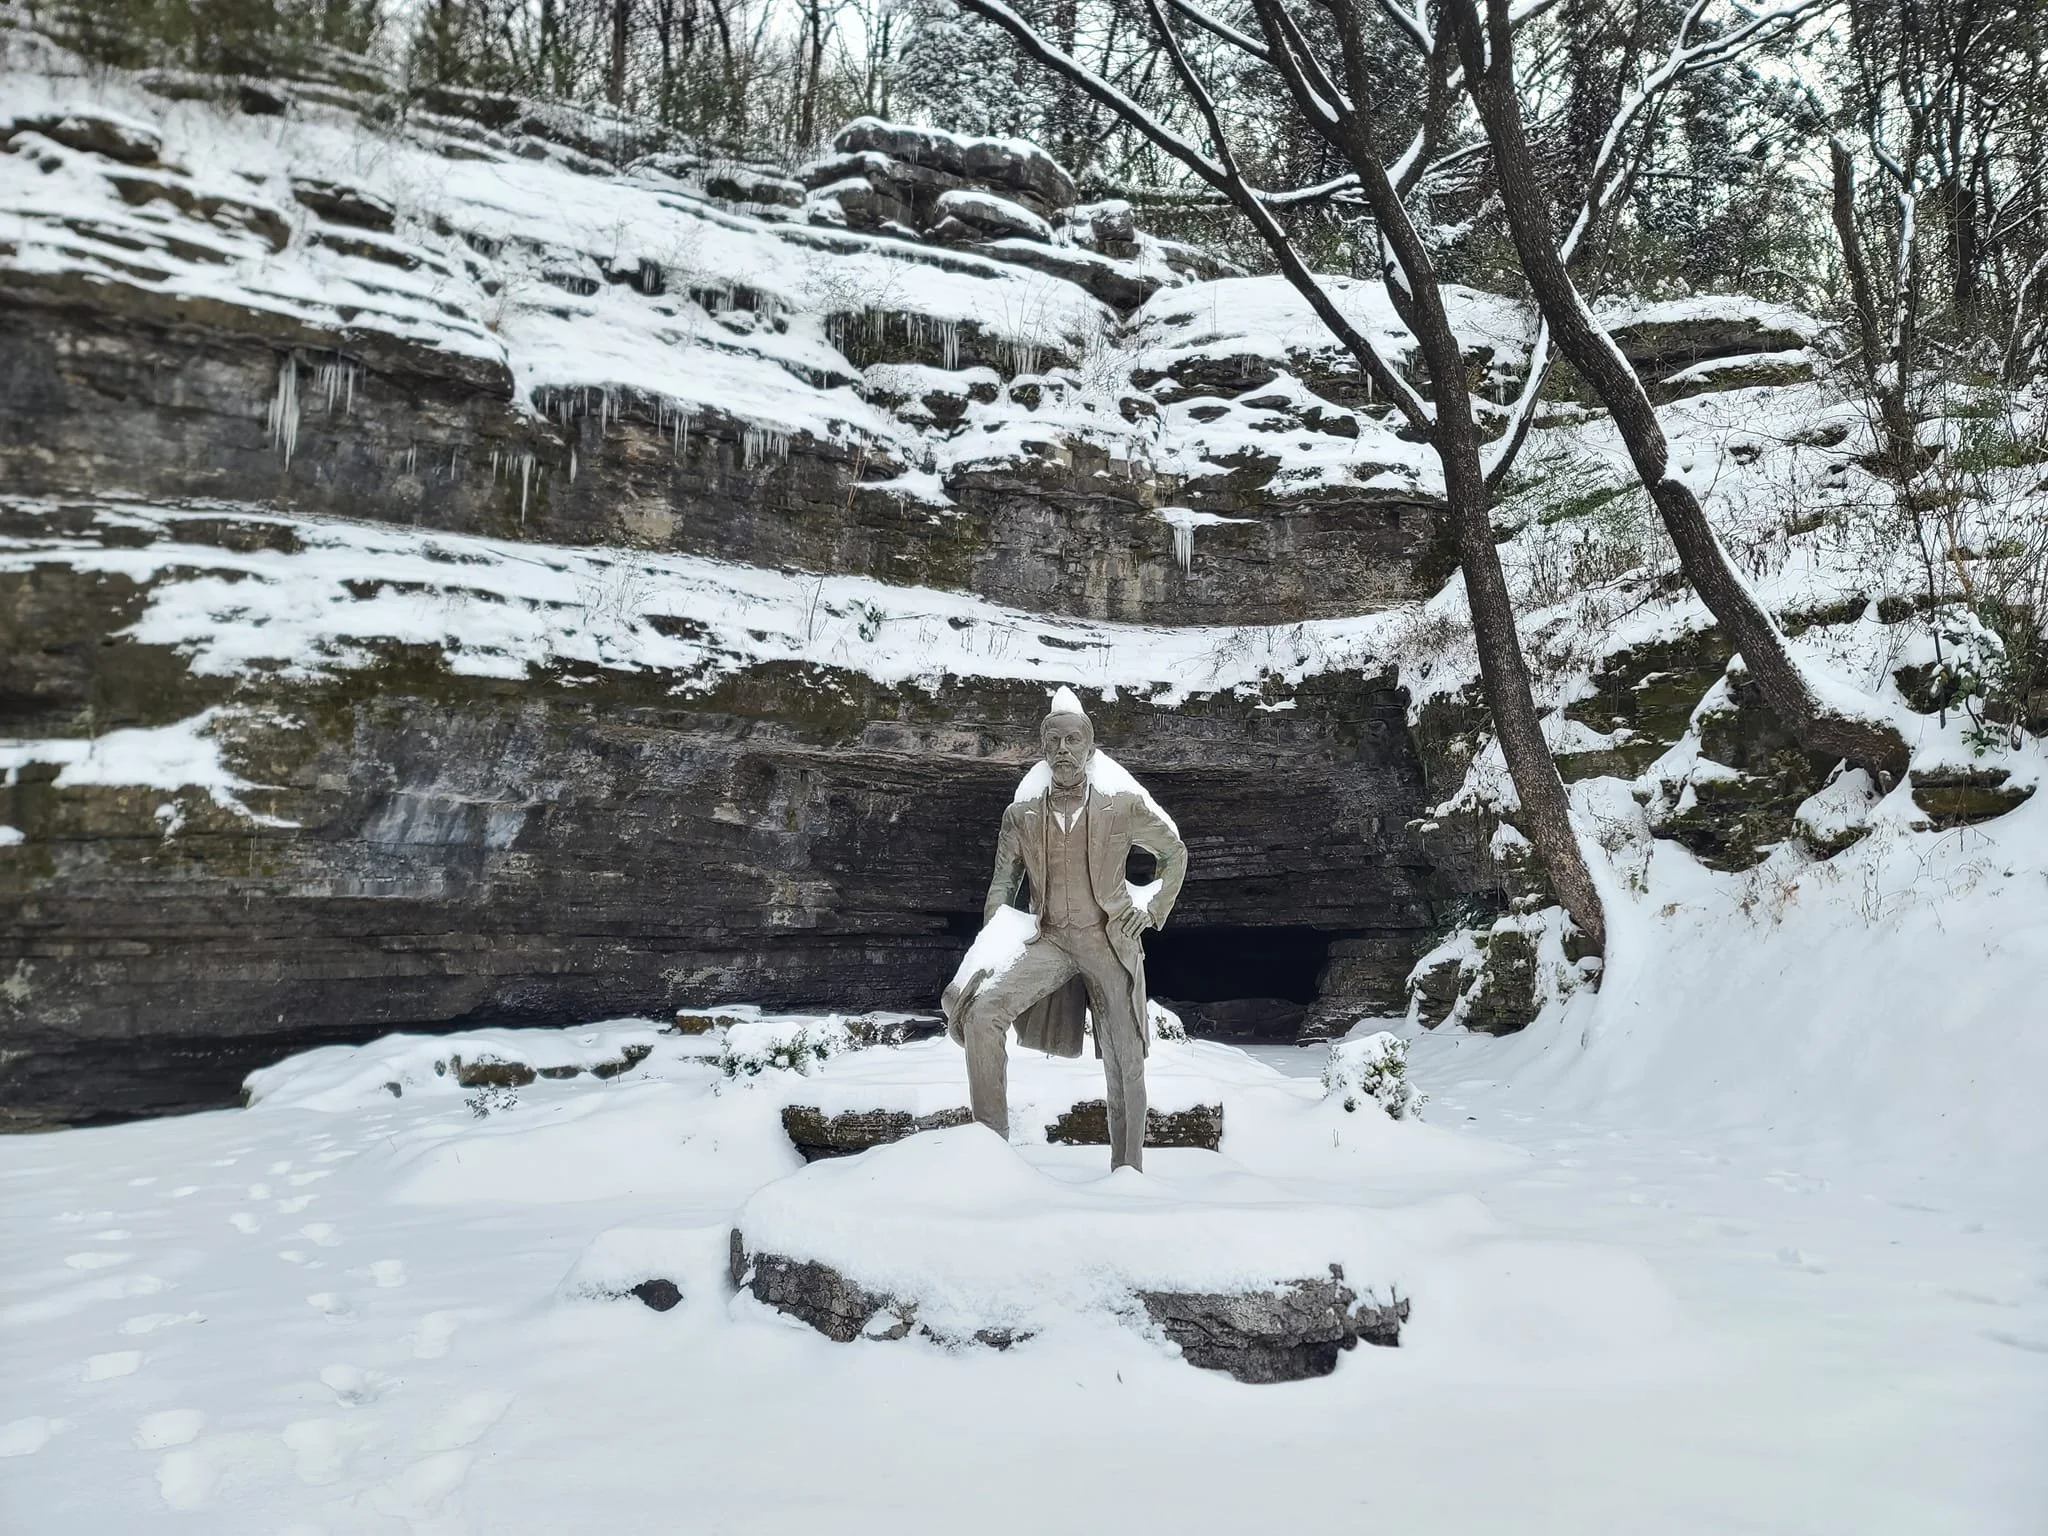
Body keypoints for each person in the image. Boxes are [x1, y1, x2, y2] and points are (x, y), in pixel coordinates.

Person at [944, 687, 1186, 1170]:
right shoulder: (1022, 812)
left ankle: (1129, 1170)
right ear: (1043, 747)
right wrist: (994, 941)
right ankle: (990, 1154)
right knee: (981, 1015)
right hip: (1048, 939)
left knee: (1125, 1053)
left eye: (1073, 739)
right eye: (1054, 740)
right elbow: (1003, 882)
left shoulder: (1121, 803)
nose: (1063, 750)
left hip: (1106, 939)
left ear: (1089, 747)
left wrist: (1152, 908)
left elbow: (1174, 852)